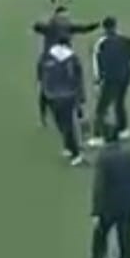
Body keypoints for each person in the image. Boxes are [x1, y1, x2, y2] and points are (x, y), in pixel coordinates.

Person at [82, 126, 130, 258]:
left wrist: (96, 211)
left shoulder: (104, 158)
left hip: (107, 207)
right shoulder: (129, 156)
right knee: (125, 244)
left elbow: (100, 187)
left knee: (99, 243)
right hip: (126, 206)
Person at [33, 9, 99, 123]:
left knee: (46, 86)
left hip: (51, 58)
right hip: (59, 58)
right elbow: (83, 29)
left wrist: (93, 26)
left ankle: (46, 114)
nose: (64, 19)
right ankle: (78, 109)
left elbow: (83, 28)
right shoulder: (57, 26)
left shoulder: (58, 26)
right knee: (74, 82)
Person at [89, 16, 130, 144]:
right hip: (125, 76)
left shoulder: (101, 43)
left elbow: (97, 64)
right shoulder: (125, 39)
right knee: (119, 102)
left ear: (104, 28)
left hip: (110, 78)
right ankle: (124, 129)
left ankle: (98, 137)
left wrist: (97, 81)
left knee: (101, 108)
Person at [38, 34, 86, 166]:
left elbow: (40, 75)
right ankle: (75, 154)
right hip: (68, 95)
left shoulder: (46, 56)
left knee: (60, 122)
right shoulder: (72, 58)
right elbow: (78, 78)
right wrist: (81, 96)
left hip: (51, 95)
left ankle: (69, 148)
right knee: (69, 124)